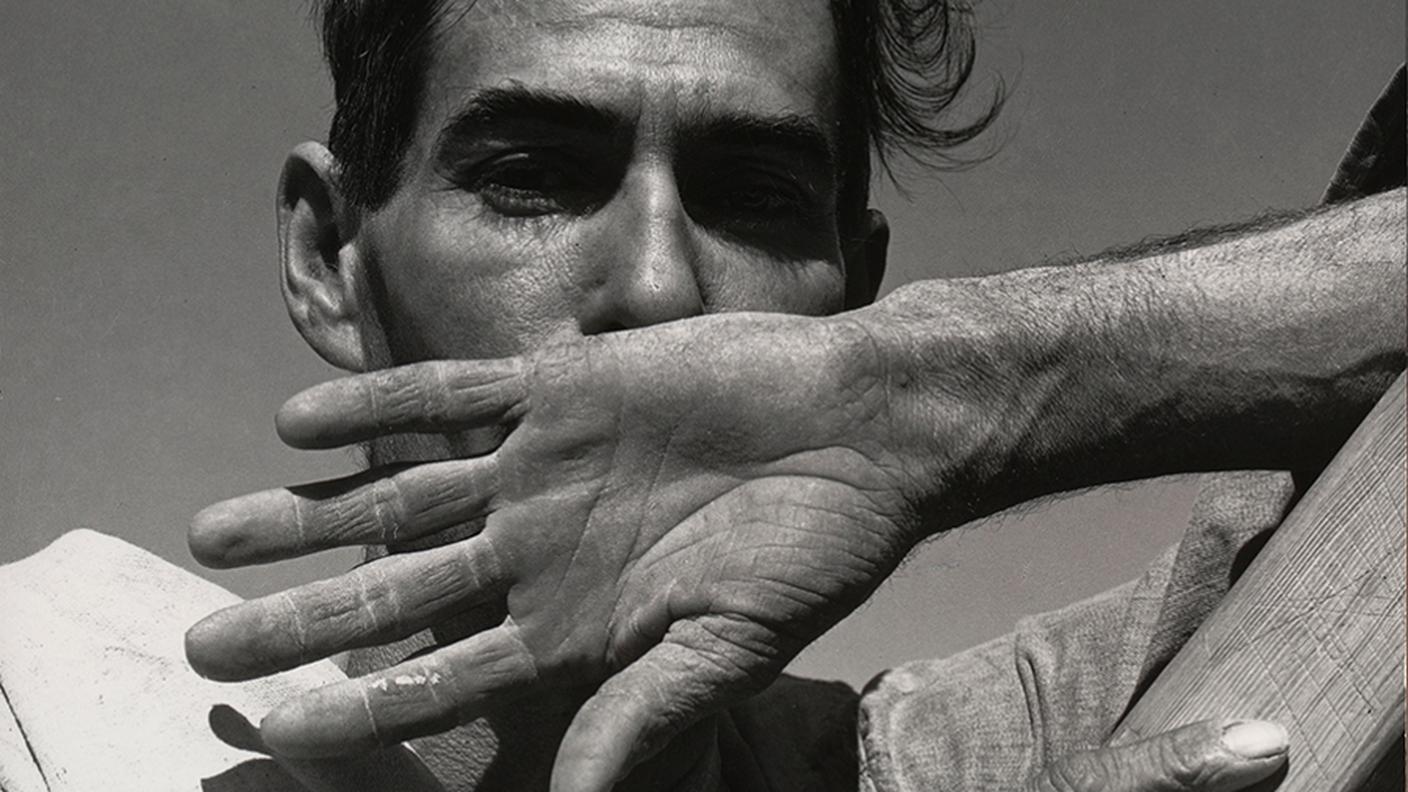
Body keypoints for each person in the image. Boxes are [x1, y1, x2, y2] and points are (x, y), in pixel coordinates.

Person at [2, 0, 1401, 790]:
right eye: (536, 175)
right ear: (328, 257)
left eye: (756, 194)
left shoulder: (966, 759)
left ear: (854, 290)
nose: (663, 292)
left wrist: (946, 380)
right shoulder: (43, 691)